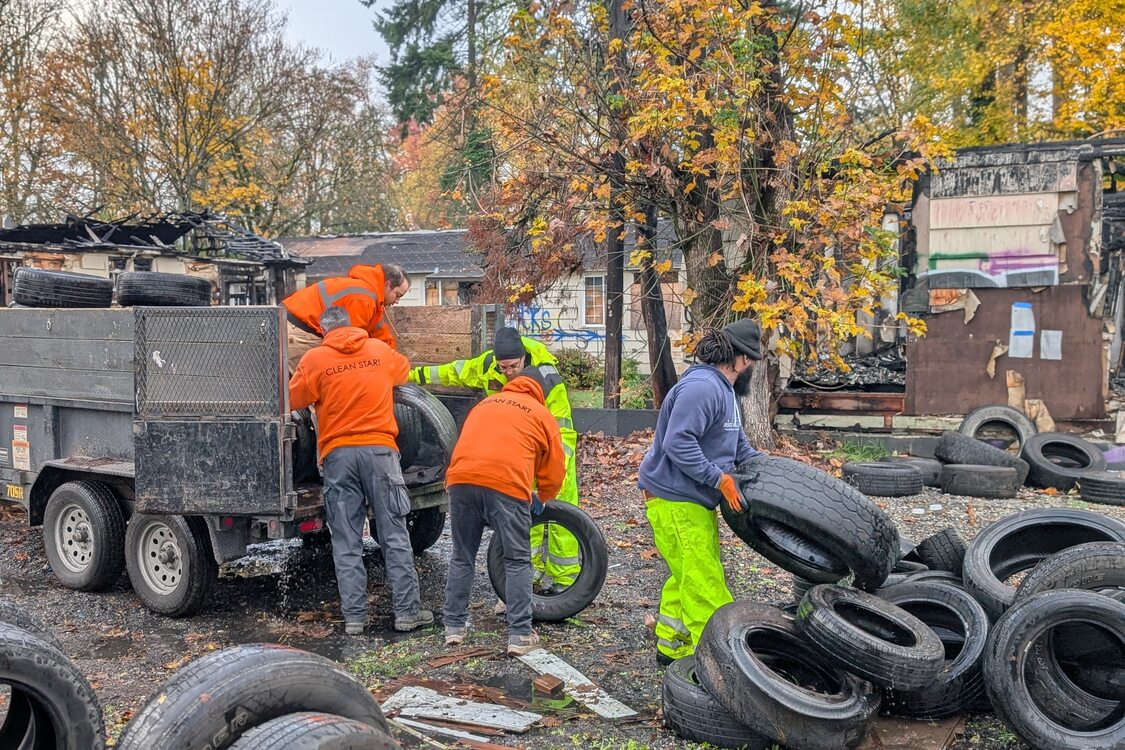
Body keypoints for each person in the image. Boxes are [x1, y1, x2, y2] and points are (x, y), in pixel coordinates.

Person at [288, 305, 433, 636]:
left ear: (324, 332)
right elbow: (404, 372)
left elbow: (294, 399)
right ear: (351, 327)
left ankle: (355, 619)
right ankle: (407, 614)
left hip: (339, 458)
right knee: (395, 535)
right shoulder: (379, 351)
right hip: (381, 455)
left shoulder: (314, 360)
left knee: (347, 541)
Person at [409, 327, 581, 593]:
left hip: (550, 454)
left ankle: (566, 582)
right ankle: (528, 577)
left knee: (560, 514)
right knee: (523, 518)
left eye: (513, 366)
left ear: (524, 358)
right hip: (517, 457)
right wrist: (411, 375)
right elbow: (453, 372)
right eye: (503, 368)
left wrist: (560, 468)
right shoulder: (489, 366)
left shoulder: (547, 379)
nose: (508, 372)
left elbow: (564, 428)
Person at [637, 319, 764, 665]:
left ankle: (671, 646)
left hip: (690, 500)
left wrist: (770, 473)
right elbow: (677, 442)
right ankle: (719, 663)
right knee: (705, 582)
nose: (751, 364)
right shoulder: (702, 388)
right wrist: (718, 479)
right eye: (750, 357)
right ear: (737, 357)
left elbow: (740, 449)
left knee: (686, 574)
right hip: (675, 499)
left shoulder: (726, 393)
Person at [441, 366, 566, 656]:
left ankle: (454, 628)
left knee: (462, 555)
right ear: (540, 391)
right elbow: (554, 469)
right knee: (518, 560)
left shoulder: (486, 403)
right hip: (507, 487)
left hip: (460, 481)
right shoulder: (540, 413)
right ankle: (520, 634)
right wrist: (543, 496)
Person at [283, 263, 410, 371]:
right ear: (388, 285)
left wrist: (395, 361)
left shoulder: (370, 297)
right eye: (397, 295)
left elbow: (379, 333)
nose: (397, 301)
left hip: (297, 327)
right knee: (305, 389)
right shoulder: (363, 298)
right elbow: (350, 343)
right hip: (300, 333)